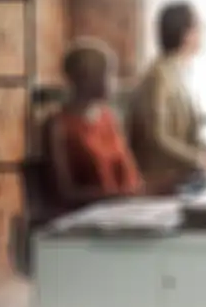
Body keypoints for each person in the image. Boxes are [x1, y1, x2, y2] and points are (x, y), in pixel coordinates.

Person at [127, 0, 206, 195]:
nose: (203, 33)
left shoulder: (178, 73)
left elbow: (186, 134)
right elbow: (157, 137)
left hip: (181, 179)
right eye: (199, 27)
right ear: (186, 34)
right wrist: (199, 159)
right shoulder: (158, 76)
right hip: (161, 184)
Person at [48, 41, 143, 213]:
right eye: (109, 75)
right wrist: (116, 198)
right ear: (87, 78)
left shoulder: (108, 118)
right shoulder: (60, 126)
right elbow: (65, 194)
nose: (114, 83)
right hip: (86, 218)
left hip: (126, 211)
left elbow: (131, 177)